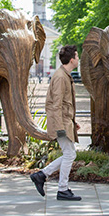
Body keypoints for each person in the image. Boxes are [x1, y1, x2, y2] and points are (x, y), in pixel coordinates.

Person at [30, 45, 81, 201]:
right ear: (72, 60)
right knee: (70, 154)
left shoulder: (64, 75)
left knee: (69, 153)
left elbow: (65, 104)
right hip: (61, 123)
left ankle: (42, 176)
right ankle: (61, 188)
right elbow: (56, 104)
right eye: (77, 56)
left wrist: (73, 121)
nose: (78, 59)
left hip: (65, 121)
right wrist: (60, 127)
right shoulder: (60, 77)